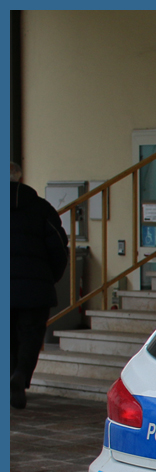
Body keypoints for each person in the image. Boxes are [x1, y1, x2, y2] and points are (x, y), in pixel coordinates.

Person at [10, 161, 69, 409]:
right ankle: (20, 376)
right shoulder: (42, 208)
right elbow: (59, 249)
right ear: (20, 178)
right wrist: (48, 278)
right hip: (36, 289)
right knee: (32, 336)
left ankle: (11, 377)